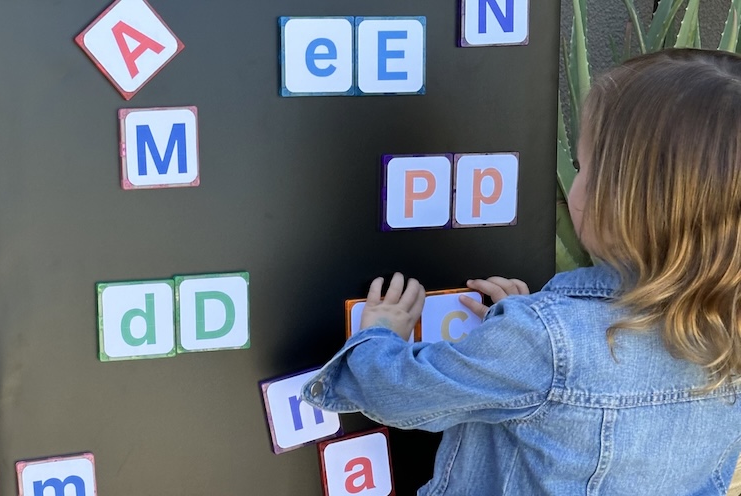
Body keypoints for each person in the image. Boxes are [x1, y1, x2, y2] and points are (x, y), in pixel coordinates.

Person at [301, 48, 741, 495]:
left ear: (620, 201)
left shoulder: (542, 343)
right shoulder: (730, 331)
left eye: (580, 166)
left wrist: (378, 336)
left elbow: (399, 395)